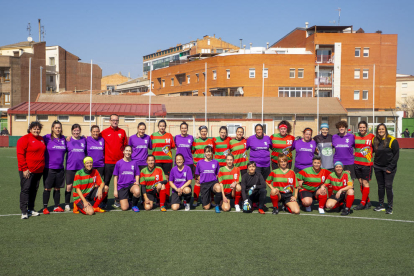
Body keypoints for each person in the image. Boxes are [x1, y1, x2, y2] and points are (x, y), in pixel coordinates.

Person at [16, 121, 46, 219]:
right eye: (35, 128)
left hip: (38, 170)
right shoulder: (24, 139)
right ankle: (24, 211)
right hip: (27, 171)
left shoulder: (41, 139)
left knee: (34, 190)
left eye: (38, 129)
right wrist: (24, 169)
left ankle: (31, 209)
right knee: (26, 190)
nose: (37, 130)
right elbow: (20, 155)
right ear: (30, 129)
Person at [100, 114, 128, 209]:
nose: (115, 121)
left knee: (120, 182)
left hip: (120, 163)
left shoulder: (122, 132)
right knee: (106, 182)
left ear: (118, 121)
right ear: (110, 121)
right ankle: (104, 201)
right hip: (108, 162)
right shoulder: (104, 132)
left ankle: (118, 200)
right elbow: (95, 138)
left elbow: (125, 146)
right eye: (113, 120)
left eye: (116, 120)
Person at [372, 123, 399, 214]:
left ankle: (390, 206)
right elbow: (370, 151)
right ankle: (381, 205)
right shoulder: (374, 140)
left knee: (388, 186)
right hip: (377, 167)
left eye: (382, 129)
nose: (381, 131)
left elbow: (396, 155)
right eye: (379, 129)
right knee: (380, 186)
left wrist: (390, 167)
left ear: (385, 130)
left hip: (389, 168)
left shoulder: (392, 140)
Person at [42, 120, 67, 214]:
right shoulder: (46, 138)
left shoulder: (64, 138)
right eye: (56, 128)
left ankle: (56, 206)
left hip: (60, 168)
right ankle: (45, 207)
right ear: (52, 128)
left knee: (57, 188)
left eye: (59, 128)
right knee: (47, 188)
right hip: (49, 168)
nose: (58, 129)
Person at [151, 119, 175, 205]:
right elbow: (149, 146)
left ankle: (167, 198)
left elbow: (173, 147)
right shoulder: (153, 136)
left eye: (163, 126)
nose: (162, 127)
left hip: (167, 161)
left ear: (165, 127)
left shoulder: (169, 135)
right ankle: (158, 198)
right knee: (157, 179)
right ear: (158, 126)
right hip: (156, 161)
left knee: (166, 179)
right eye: (160, 126)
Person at [353, 121, 375, 210]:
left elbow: (375, 148)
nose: (362, 129)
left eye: (363, 127)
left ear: (366, 128)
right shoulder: (355, 136)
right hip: (357, 162)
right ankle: (368, 201)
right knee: (361, 183)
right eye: (360, 127)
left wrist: (368, 154)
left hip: (367, 163)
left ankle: (362, 203)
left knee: (365, 183)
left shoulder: (372, 136)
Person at [64, 124, 87, 211]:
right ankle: (67, 204)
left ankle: (80, 203)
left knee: (80, 187)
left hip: (81, 168)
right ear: (72, 131)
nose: (76, 132)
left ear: (80, 131)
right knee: (69, 186)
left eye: (77, 130)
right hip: (70, 167)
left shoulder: (84, 140)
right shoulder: (68, 140)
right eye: (74, 130)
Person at [113, 145, 141, 212]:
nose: (128, 152)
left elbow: (137, 174)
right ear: (123, 152)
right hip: (122, 186)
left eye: (129, 151)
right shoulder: (118, 163)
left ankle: (134, 205)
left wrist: (137, 181)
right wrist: (115, 190)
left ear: (131, 152)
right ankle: (128, 200)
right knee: (124, 208)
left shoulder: (134, 163)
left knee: (137, 191)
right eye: (126, 150)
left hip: (131, 184)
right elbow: (115, 177)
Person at [191, 125, 214, 207]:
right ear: (200, 132)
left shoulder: (211, 141)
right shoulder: (195, 141)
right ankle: (195, 200)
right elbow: (192, 151)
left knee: (210, 182)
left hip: (208, 165)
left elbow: (213, 152)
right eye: (202, 131)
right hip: (197, 165)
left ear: (207, 132)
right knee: (197, 182)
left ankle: (212, 200)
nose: (203, 133)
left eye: (205, 131)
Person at [194, 146, 222, 213]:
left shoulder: (215, 162)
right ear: (204, 153)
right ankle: (208, 198)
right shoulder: (199, 162)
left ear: (212, 153)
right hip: (204, 184)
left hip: (213, 183)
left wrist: (215, 179)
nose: (208, 153)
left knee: (218, 187)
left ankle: (217, 205)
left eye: (210, 152)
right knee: (206, 207)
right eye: (207, 152)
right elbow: (197, 174)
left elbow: (218, 173)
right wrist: (201, 180)